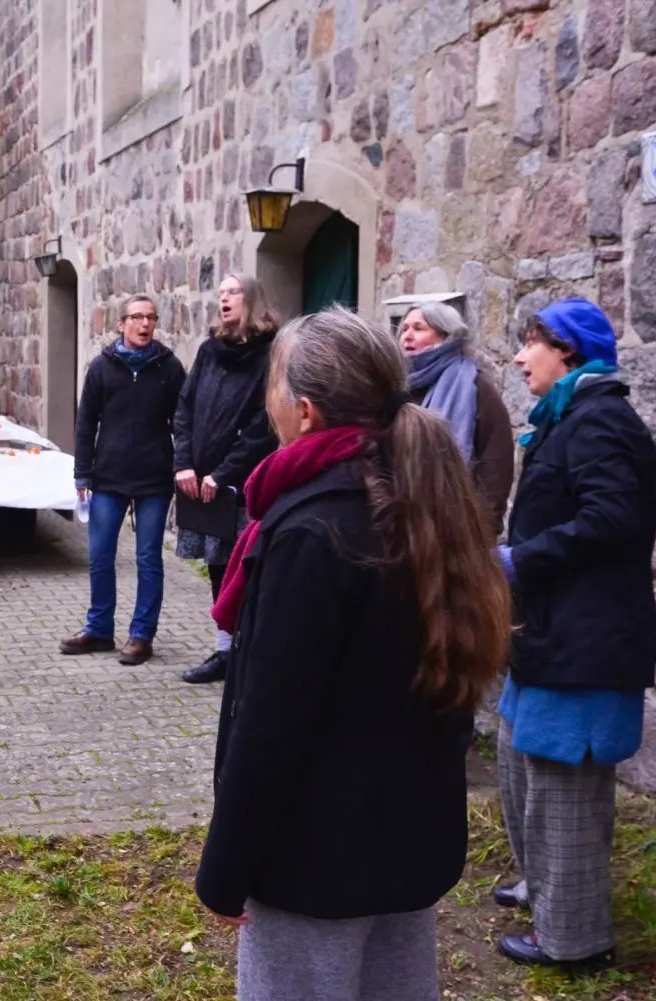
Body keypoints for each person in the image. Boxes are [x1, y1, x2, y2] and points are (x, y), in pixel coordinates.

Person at [195, 306, 510, 1001]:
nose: (265, 404)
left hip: (315, 857)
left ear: (303, 411)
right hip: (406, 839)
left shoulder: (313, 531)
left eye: (270, 389)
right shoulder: (419, 498)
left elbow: (272, 722)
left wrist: (225, 866)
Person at [492, 298, 656, 969]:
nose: (517, 355)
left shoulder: (601, 421)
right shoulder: (569, 418)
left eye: (529, 342)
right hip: (550, 634)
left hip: (586, 642)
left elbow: (614, 519)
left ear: (566, 350)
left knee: (565, 789)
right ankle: (547, 888)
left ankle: (573, 939)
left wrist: (518, 558)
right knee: (517, 763)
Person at [63, 293, 186, 666]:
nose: (144, 324)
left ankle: (141, 635)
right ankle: (99, 629)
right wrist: (82, 472)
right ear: (121, 324)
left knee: (149, 558)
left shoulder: (170, 368)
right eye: (136, 317)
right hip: (108, 478)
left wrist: (184, 464)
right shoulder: (102, 367)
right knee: (101, 556)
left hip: (154, 480)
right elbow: (86, 424)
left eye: (150, 317)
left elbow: (183, 422)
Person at [173, 274, 280, 685]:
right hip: (200, 483)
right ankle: (224, 652)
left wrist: (223, 472)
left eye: (232, 292)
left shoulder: (270, 355)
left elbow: (263, 425)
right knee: (217, 566)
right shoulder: (210, 350)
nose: (224, 299)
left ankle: (250, 652)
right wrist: (184, 463)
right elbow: (185, 409)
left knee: (247, 567)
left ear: (251, 299)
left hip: (242, 483)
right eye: (220, 294)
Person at [400, 302, 515, 537]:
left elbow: (496, 463)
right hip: (402, 525)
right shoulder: (397, 387)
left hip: (457, 530)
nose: (407, 336)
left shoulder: (474, 386)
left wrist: (482, 528)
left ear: (446, 336)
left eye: (418, 328)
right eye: (404, 329)